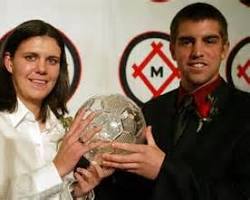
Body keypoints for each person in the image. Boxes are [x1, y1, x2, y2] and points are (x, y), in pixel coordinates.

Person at [98, 2, 250, 200]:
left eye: (209, 41)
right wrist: (98, 184)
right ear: (172, 50)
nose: (197, 51)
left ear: (224, 49)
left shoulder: (245, 112)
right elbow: (131, 192)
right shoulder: (151, 111)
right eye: (187, 42)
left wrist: (164, 170)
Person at [0, 19, 108, 199]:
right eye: (30, 57)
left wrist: (78, 194)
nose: (42, 69)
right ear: (9, 63)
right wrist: (57, 169)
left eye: (52, 60)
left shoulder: (63, 130)